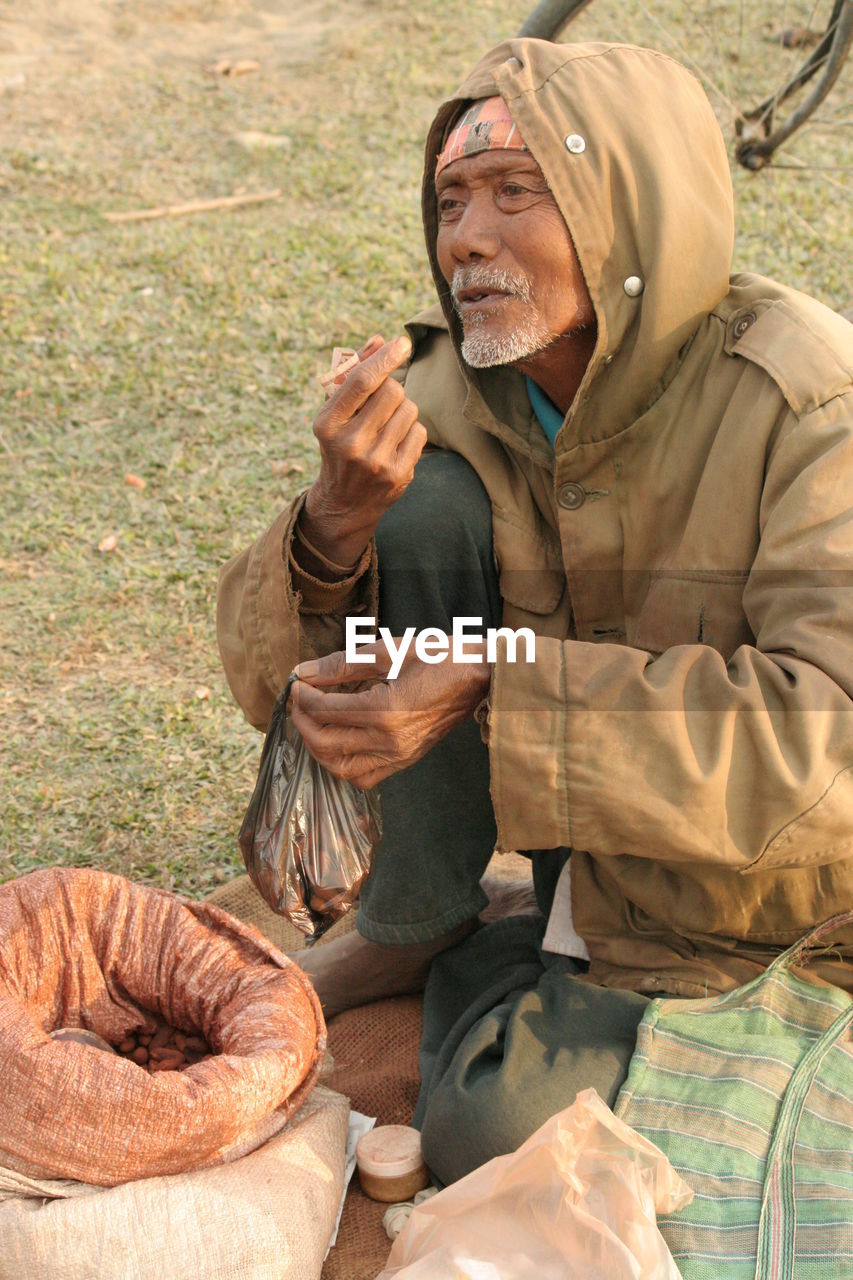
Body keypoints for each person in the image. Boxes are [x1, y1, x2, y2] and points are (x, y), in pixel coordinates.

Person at [217, 38, 853, 1185]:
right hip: (592, 852)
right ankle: (421, 921)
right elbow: (274, 688)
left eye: (519, 193)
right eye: (451, 199)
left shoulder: (808, 400)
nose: (466, 237)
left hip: (771, 901)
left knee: (496, 1132)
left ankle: (537, 953)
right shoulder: (453, 393)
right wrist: (331, 532)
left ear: (633, 212)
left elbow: (831, 742)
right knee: (415, 509)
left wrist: (487, 679)